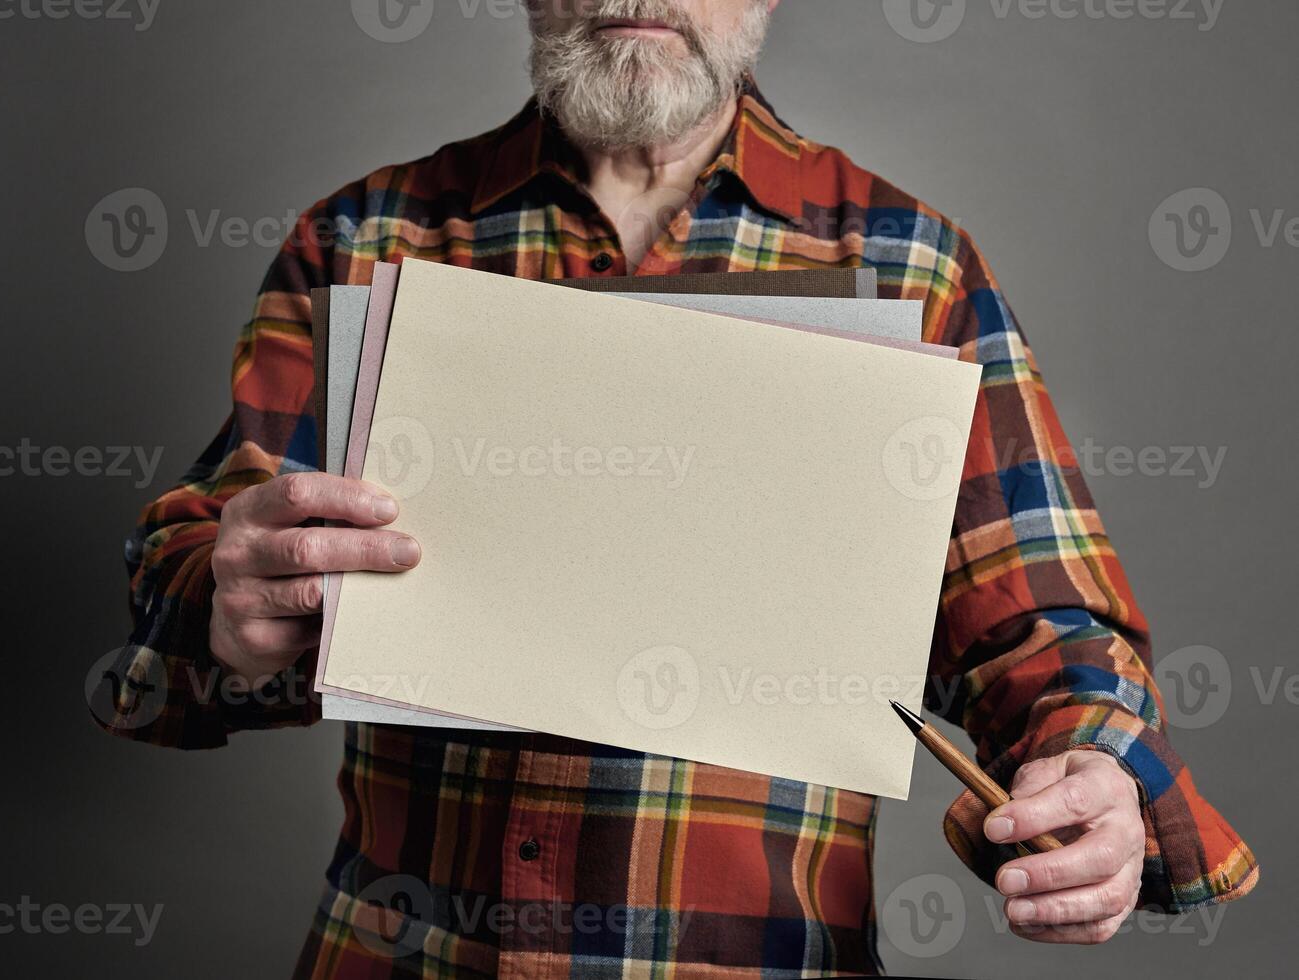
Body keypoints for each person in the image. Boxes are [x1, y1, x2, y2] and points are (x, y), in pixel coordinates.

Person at [95, 0, 1258, 974]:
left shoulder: (914, 265)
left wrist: (1092, 765)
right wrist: (219, 602)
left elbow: (1039, 629)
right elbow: (182, 602)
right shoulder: (364, 237)